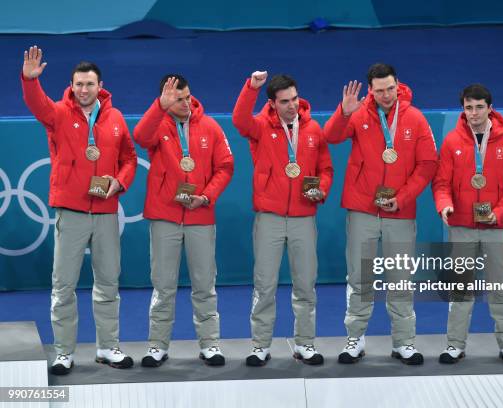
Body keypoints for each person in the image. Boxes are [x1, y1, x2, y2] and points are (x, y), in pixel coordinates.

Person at [21, 46, 137, 375]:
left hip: (105, 212)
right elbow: (37, 105)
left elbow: (129, 158)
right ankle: (63, 352)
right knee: (64, 286)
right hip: (70, 212)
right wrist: (30, 82)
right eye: (78, 84)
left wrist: (120, 181)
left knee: (108, 283)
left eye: (89, 84)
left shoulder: (115, 119)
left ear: (101, 86)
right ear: (71, 86)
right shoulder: (58, 114)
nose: (83, 90)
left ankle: (108, 347)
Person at [324, 63, 438, 365]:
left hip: (400, 212)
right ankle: (355, 339)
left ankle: (404, 342)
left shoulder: (415, 118)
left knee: (400, 279)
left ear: (398, 84)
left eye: (390, 88)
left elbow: (427, 165)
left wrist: (401, 199)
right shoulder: (359, 113)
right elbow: (331, 136)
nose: (386, 95)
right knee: (360, 277)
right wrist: (344, 111)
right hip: (362, 208)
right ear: (371, 91)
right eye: (379, 90)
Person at [232, 71, 333, 366]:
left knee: (305, 284)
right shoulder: (260, 127)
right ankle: (260, 345)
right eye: (285, 102)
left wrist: (322, 190)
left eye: (295, 99)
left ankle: (305, 344)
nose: (292, 106)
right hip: (270, 218)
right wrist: (251, 86)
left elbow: (326, 169)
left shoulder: (314, 129)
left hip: (304, 217)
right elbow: (239, 119)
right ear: (272, 104)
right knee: (264, 285)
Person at [133, 74, 234, 367]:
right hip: (165, 215)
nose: (186, 103)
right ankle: (157, 346)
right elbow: (140, 137)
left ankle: (210, 344)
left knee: (205, 284)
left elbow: (226, 167)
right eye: (179, 99)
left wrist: (207, 196)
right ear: (166, 99)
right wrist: (159, 107)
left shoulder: (211, 126)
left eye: (188, 96)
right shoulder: (158, 125)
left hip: (200, 215)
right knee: (163, 285)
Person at [432, 84, 503, 365]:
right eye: (468, 107)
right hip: (461, 225)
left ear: (490, 108)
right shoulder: (452, 142)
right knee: (460, 287)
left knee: (501, 286)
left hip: (496, 227)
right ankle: (455, 345)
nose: (473, 113)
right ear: (463, 109)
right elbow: (441, 183)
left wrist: (499, 212)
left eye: (479, 107)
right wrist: (444, 204)